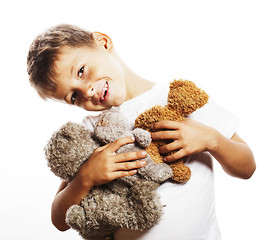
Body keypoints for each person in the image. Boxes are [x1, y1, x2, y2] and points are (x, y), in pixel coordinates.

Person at [27, 24, 256, 240]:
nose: (86, 91)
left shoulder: (179, 96)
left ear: (102, 42)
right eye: (74, 96)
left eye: (81, 71)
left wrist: (212, 139)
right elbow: (59, 219)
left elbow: (247, 167)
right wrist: (85, 178)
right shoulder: (92, 130)